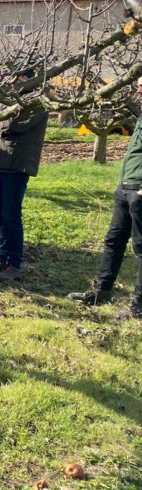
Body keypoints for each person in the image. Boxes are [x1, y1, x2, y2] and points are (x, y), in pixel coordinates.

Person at [66, 77, 142, 317]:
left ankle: (139, 305)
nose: (138, 90)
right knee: (114, 240)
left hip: (140, 190)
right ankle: (101, 291)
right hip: (126, 187)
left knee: (141, 248)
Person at [0, 69, 47, 283]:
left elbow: (14, 125)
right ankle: (2, 257)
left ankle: (14, 262)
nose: (14, 82)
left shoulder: (38, 102)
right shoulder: (8, 100)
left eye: (20, 78)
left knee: (11, 214)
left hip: (17, 164)